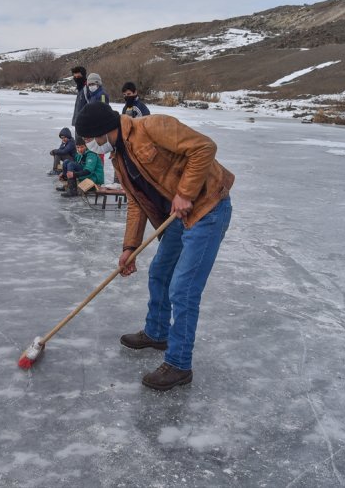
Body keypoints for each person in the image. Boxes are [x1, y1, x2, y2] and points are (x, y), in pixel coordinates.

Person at [75, 102, 234, 391]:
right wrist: (130, 246)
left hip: (208, 208)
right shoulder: (119, 159)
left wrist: (185, 193)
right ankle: (158, 332)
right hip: (177, 216)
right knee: (159, 272)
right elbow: (136, 202)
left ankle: (179, 364)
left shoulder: (151, 127)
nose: (89, 145)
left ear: (102, 132)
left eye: (88, 139)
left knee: (183, 289)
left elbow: (204, 148)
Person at [70, 66, 88, 136]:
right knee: (78, 145)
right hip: (78, 124)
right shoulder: (80, 89)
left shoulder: (87, 89)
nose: (76, 79)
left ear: (83, 76)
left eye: (78, 76)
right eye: (75, 77)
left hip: (85, 125)